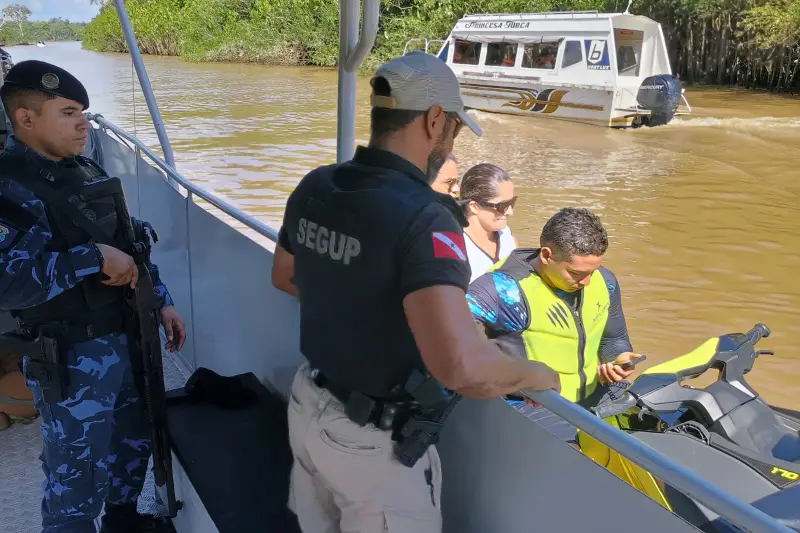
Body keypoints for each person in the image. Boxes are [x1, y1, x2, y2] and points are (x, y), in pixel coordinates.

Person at [271, 51, 561, 533]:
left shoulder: (317, 185)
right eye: (454, 129)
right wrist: (537, 374)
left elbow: (284, 275)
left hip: (307, 404)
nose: (451, 143)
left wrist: (359, 300)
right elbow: (461, 368)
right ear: (434, 120)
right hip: (372, 447)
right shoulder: (427, 217)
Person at [0, 60, 186, 533]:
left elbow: (129, 238)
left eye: (83, 111)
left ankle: (124, 521)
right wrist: (91, 258)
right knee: (76, 474)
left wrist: (161, 299)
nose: (83, 122)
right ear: (26, 117)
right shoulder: (9, 187)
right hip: (71, 354)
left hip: (126, 334)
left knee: (132, 442)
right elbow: (8, 283)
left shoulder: (82, 166)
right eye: (68, 113)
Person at [467, 207, 642, 415]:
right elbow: (448, 346)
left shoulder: (605, 281)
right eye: (576, 273)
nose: (587, 281)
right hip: (531, 409)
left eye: (593, 271)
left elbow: (614, 339)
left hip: (592, 400)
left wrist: (618, 360)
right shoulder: (501, 289)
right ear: (546, 255)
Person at [459, 163, 519, 282]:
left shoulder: (506, 234)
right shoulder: (457, 248)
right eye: (503, 206)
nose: (510, 212)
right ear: (474, 207)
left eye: (512, 203)